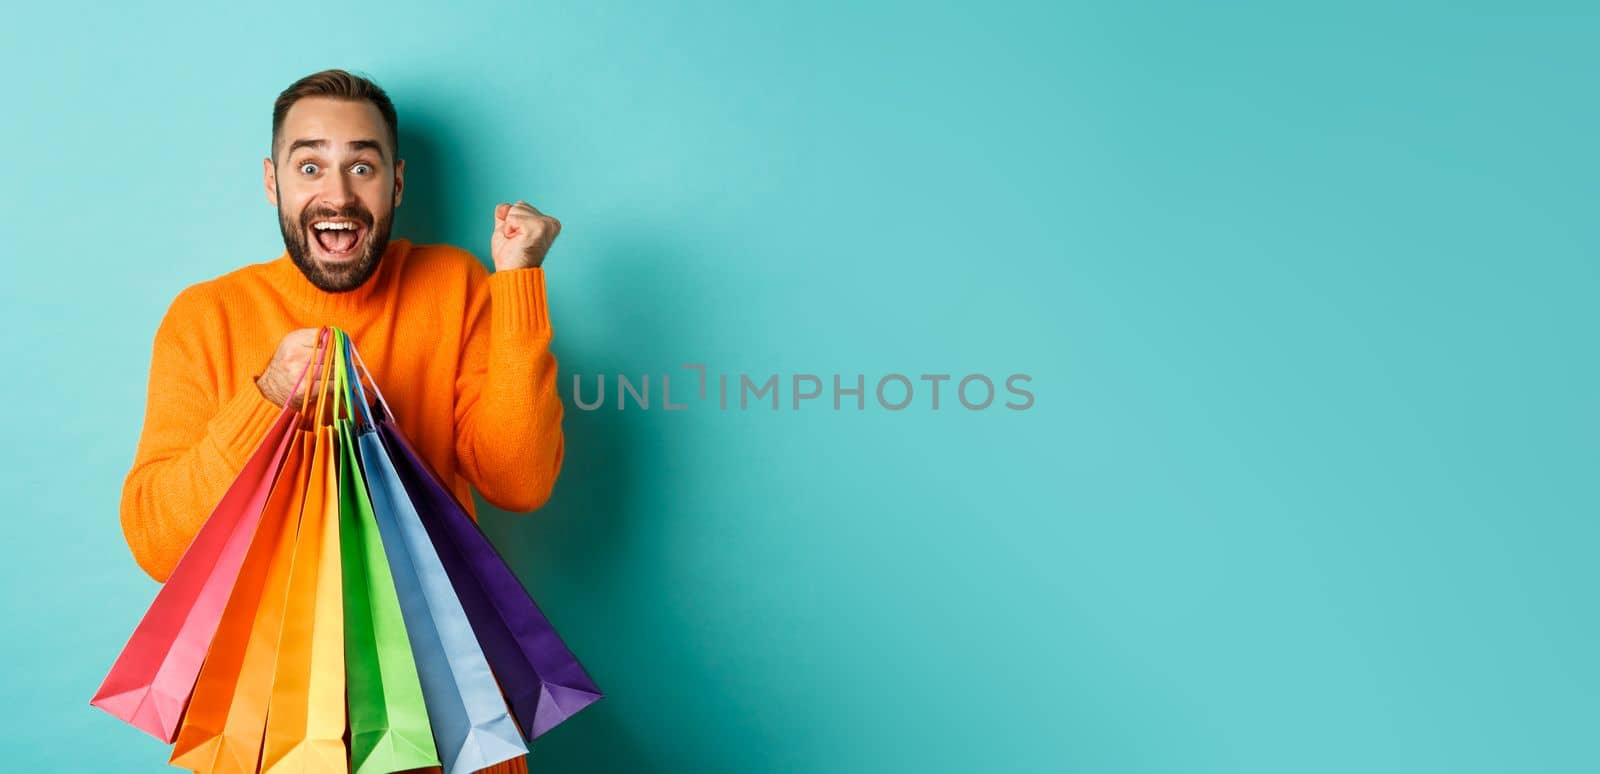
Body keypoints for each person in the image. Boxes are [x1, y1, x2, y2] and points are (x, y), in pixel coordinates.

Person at [117, 69, 562, 774]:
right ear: (273, 182)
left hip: (450, 721)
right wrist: (264, 396)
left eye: (362, 165)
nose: (339, 194)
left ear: (397, 183)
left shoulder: (459, 287)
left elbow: (519, 481)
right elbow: (156, 546)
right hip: (262, 735)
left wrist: (516, 282)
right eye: (310, 165)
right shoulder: (205, 319)